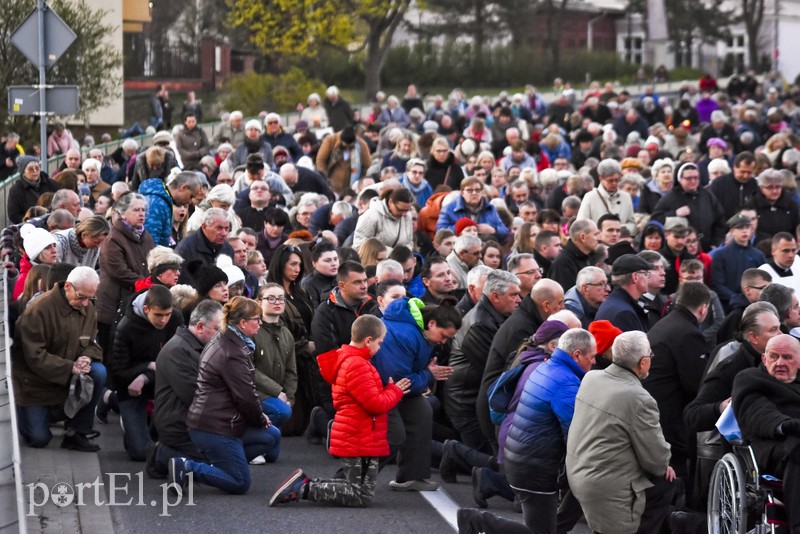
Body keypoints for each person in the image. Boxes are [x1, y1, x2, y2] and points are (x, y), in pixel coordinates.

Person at [269, 315, 410, 507]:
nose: (379, 348)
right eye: (379, 343)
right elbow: (375, 404)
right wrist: (395, 391)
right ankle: (304, 488)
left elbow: (366, 397)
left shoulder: (351, 361)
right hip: (361, 436)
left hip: (358, 434)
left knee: (357, 488)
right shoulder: (358, 365)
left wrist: (387, 390)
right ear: (368, 341)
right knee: (360, 495)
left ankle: (304, 485)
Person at [168, 297, 282, 497]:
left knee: (271, 435)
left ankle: (218, 465)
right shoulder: (232, 352)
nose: (261, 323)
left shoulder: (228, 339)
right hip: (214, 426)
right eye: (257, 319)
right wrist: (260, 418)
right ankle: (187, 467)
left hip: (219, 420)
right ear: (243, 323)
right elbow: (245, 397)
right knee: (239, 482)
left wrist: (260, 419)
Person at [567, 331, 676, 534]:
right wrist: (664, 463)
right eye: (650, 356)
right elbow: (657, 461)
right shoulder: (639, 398)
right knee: (667, 482)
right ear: (643, 362)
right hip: (605, 486)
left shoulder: (591, 378)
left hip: (577, 473)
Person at [504, 328, 596, 534]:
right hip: (535, 468)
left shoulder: (547, 367)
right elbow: (575, 433)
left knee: (545, 525)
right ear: (577, 355)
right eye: (592, 356)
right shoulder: (567, 383)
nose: (595, 362)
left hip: (523, 460)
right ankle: (480, 522)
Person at [12, 266, 106, 452]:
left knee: (98, 371)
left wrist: (86, 357)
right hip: (34, 387)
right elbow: (34, 356)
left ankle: (77, 432)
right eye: (82, 297)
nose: (86, 304)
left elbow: (93, 344)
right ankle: (29, 415)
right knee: (39, 439)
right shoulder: (39, 310)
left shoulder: (88, 308)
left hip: (65, 382)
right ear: (68, 287)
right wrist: (70, 367)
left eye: (91, 298)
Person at [372, 296, 461, 491]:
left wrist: (425, 375)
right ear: (431, 323)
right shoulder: (406, 334)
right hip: (379, 389)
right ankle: (353, 476)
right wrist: (428, 375)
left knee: (422, 412)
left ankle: (412, 476)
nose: (443, 342)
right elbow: (399, 380)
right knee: (395, 435)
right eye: (443, 336)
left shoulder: (419, 331)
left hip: (393, 388)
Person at [643, 282, 711, 483]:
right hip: (671, 420)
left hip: (655, 410)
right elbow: (696, 384)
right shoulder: (688, 333)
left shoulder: (666, 323)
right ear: (703, 308)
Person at [447, 270, 522, 452]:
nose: (519, 300)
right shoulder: (479, 324)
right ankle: (453, 453)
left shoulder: (494, 315)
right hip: (466, 404)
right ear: (495, 296)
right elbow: (494, 368)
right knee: (491, 461)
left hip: (477, 399)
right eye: (514, 295)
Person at [732, 334, 800, 531]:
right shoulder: (750, 378)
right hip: (770, 445)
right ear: (764, 359)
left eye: (787, 357)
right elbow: (759, 413)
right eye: (774, 357)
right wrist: (788, 425)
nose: (780, 363)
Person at [150, 300, 223, 478]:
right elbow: (196, 396)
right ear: (199, 326)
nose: (223, 335)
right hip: (180, 426)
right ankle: (162, 455)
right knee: (220, 463)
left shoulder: (201, 346)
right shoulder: (178, 350)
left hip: (197, 419)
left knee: (265, 439)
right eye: (218, 329)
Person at [110, 285, 183, 461]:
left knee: (172, 442)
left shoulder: (176, 319)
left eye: (167, 314)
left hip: (161, 382)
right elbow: (118, 371)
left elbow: (178, 361)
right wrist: (148, 365)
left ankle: (149, 423)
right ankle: (113, 402)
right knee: (141, 452)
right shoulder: (126, 327)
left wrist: (146, 375)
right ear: (146, 309)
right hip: (130, 386)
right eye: (158, 315)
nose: (164, 320)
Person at [95, 193, 155, 354]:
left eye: (143, 210)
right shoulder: (113, 239)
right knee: (111, 351)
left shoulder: (146, 236)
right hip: (113, 304)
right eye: (136, 210)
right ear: (122, 213)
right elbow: (118, 271)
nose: (141, 213)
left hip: (136, 301)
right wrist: (146, 283)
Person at [252, 284, 298, 436]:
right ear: (259, 302)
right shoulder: (253, 331)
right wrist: (277, 391)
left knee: (271, 454)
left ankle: (263, 438)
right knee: (282, 412)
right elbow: (249, 368)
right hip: (257, 393)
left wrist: (289, 398)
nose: (277, 302)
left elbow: (292, 372)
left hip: (279, 396)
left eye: (280, 299)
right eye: (271, 298)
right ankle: (254, 436)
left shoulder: (286, 333)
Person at [436, 178, 510, 243]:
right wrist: (462, 228)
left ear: (481, 192)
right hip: (459, 247)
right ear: (462, 192)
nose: (474, 193)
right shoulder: (448, 209)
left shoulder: (490, 208)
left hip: (485, 248)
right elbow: (440, 233)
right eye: (469, 190)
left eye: (477, 190)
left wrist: (493, 230)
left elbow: (505, 232)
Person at [174, 208, 235, 286]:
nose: (224, 233)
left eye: (226, 229)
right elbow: (181, 281)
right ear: (204, 227)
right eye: (219, 228)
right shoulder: (186, 248)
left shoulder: (228, 249)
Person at [576, 159, 636, 235]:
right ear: (601, 178)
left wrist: (619, 229)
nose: (614, 183)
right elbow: (581, 224)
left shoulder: (626, 197)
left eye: (617, 180)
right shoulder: (590, 197)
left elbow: (632, 224)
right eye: (610, 181)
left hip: (620, 241)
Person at [595, 254, 653, 332]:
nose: (648, 278)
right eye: (646, 274)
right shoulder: (624, 314)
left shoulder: (616, 303)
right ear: (635, 277)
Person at [353, 188, 415, 252]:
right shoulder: (371, 216)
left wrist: (406, 253)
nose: (404, 214)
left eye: (407, 210)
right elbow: (359, 244)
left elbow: (409, 241)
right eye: (400, 210)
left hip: (400, 260)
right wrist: (389, 253)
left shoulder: (407, 216)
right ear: (390, 202)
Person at [549, 220, 600, 292]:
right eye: (595, 234)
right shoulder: (563, 262)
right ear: (582, 237)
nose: (599, 238)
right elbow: (567, 294)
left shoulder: (590, 256)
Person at [7, 155, 60, 224]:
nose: (35, 171)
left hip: (53, 222)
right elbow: (13, 214)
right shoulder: (16, 190)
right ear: (23, 172)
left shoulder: (50, 183)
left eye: (37, 168)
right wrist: (28, 222)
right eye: (30, 169)